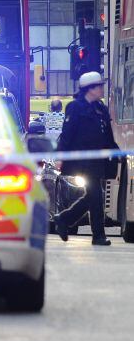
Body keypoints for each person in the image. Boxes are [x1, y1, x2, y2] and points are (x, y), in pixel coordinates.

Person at [54, 71, 119, 246]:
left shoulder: (101, 108)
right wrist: (60, 156)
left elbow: (108, 135)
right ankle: (97, 235)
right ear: (89, 89)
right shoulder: (75, 108)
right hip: (81, 160)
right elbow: (66, 134)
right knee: (96, 195)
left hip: (98, 160)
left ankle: (64, 219)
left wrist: (115, 152)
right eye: (99, 86)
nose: (101, 89)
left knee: (93, 195)